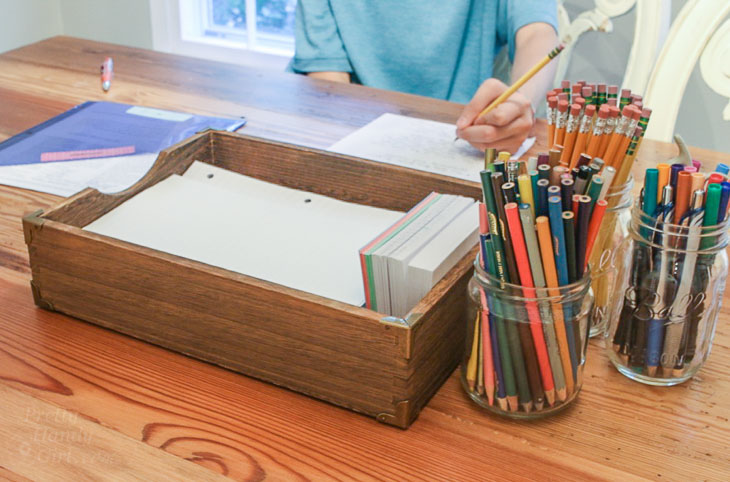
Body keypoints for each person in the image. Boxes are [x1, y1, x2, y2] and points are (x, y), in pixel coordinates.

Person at [290, 1, 558, 153]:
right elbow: (330, 83)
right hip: (352, 134)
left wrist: (520, 102)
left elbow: (538, 33)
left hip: (465, 136)